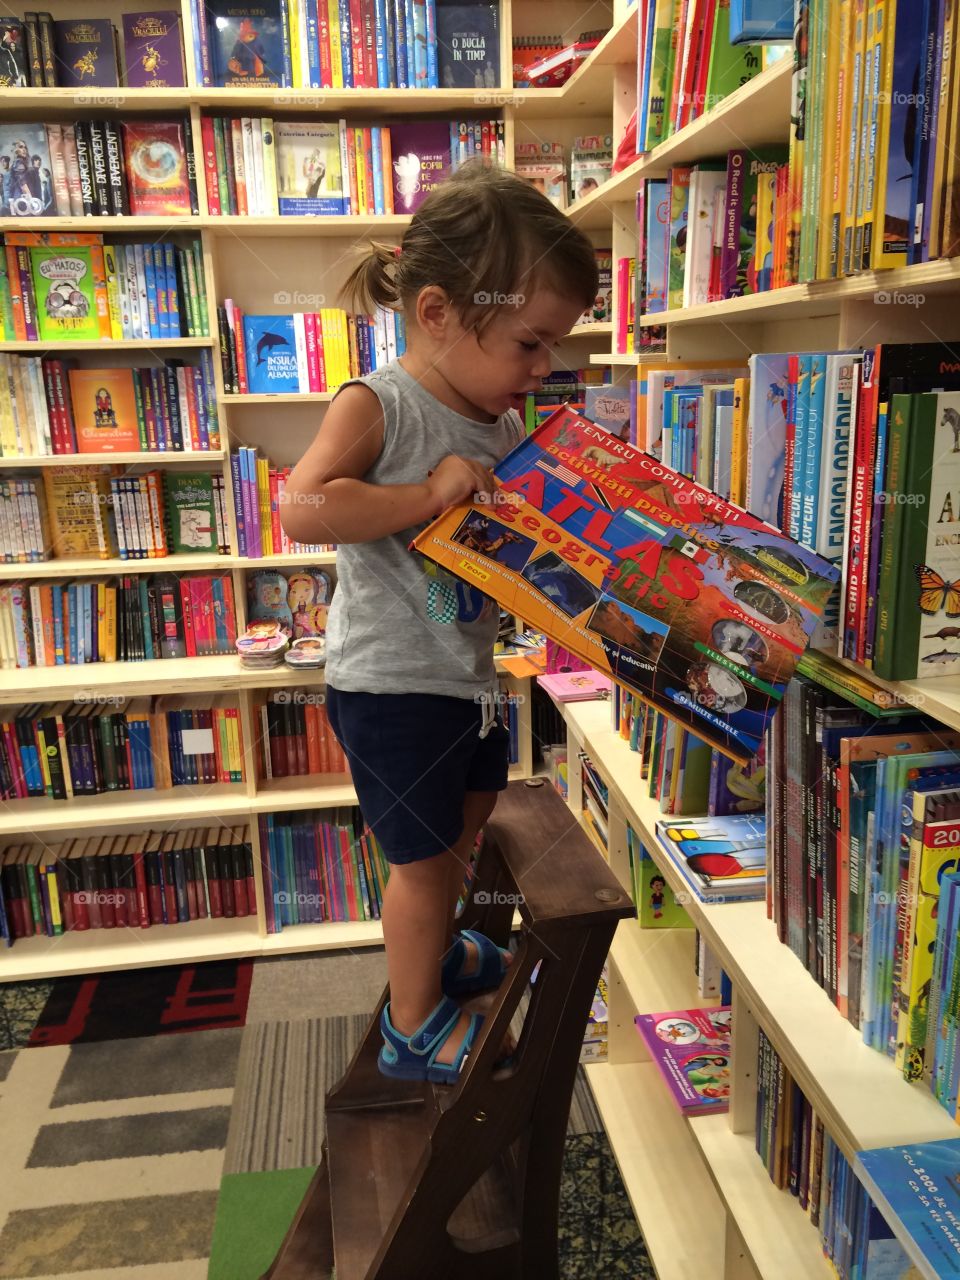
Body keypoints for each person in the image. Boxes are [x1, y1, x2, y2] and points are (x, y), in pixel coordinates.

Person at [281, 162, 597, 1085]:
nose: (544, 369)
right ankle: (412, 1026)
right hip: (390, 682)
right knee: (420, 863)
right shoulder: (380, 403)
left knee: (461, 833)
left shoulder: (496, 424)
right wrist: (424, 491)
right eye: (530, 344)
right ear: (437, 314)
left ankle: (441, 954)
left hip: (461, 673)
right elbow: (302, 507)